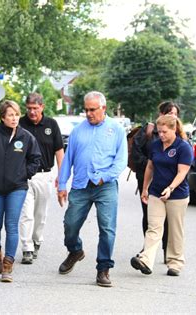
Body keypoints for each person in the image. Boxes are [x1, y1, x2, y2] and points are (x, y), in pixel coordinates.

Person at [57, 91, 127, 287]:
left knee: (107, 228)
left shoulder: (116, 129)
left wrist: (105, 177)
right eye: (86, 109)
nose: (88, 113)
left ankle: (103, 268)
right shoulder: (78, 130)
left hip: (105, 186)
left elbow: (121, 160)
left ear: (103, 108)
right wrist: (62, 184)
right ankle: (75, 250)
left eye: (92, 110)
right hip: (80, 185)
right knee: (70, 225)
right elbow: (68, 158)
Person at [0, 100, 41, 282]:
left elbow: (35, 158)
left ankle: (8, 264)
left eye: (17, 114)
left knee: (11, 225)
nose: (14, 118)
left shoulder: (26, 137)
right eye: (10, 115)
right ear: (2, 117)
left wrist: (24, 174)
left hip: (17, 188)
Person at [131, 115, 192, 277]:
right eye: (159, 132)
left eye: (165, 132)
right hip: (156, 193)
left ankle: (175, 262)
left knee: (174, 230)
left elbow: (182, 172)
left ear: (174, 129)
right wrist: (145, 189)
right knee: (154, 227)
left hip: (177, 195)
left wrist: (171, 188)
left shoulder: (183, 147)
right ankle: (146, 259)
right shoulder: (156, 145)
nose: (162, 135)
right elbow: (150, 168)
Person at [131, 101, 180, 261]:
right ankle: (148, 250)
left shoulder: (180, 137)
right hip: (148, 180)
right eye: (169, 113)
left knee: (170, 219)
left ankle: (168, 252)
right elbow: (136, 155)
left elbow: (185, 165)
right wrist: (153, 166)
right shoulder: (148, 131)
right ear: (161, 114)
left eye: (175, 114)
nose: (173, 117)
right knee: (149, 217)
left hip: (171, 182)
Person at [18, 93, 64, 264]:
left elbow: (59, 151)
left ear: (42, 107)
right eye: (29, 108)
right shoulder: (20, 124)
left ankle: (37, 240)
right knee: (26, 213)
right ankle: (27, 247)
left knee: (40, 214)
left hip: (44, 175)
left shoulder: (51, 125)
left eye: (35, 108)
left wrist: (62, 175)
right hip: (24, 176)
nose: (32, 112)